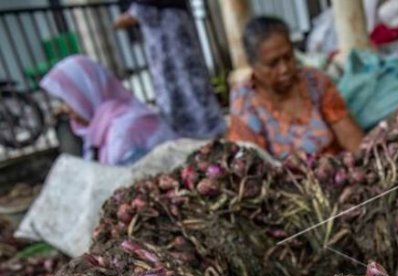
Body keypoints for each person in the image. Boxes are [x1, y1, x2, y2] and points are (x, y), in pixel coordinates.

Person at [228, 16, 364, 160]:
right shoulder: (244, 101)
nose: (284, 69)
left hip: (335, 170)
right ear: (253, 65)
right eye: (273, 64)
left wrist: (366, 162)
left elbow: (350, 137)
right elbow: (251, 161)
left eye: (288, 57)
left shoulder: (315, 81)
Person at [114, 0, 226, 139]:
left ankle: (198, 133)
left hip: (167, 35)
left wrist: (124, 19)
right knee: (190, 81)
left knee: (178, 83)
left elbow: (145, 11)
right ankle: (208, 129)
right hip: (177, 24)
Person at [40, 55, 177, 166]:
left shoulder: (124, 130)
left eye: (69, 100)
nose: (65, 109)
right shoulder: (100, 128)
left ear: (88, 92)